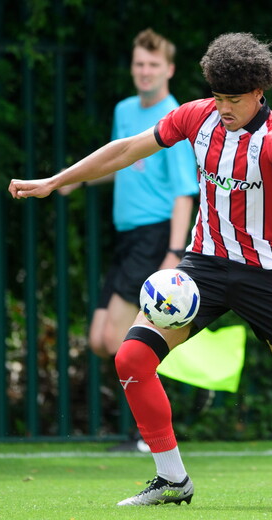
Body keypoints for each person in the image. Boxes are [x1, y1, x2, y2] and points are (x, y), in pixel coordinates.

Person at [9, 32, 272, 507]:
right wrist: (55, 180)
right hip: (202, 267)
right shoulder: (196, 116)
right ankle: (172, 479)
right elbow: (126, 150)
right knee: (131, 358)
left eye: (234, 99)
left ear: (258, 93)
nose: (223, 107)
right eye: (217, 96)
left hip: (264, 274)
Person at [59, 29, 198, 454]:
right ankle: (176, 359)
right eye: (139, 63)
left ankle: (149, 432)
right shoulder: (124, 110)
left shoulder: (173, 117)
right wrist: (74, 180)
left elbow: (183, 193)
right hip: (127, 237)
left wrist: (174, 255)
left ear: (169, 70)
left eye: (153, 65)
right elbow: (121, 163)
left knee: (123, 339)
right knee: (101, 340)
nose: (145, 71)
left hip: (156, 239)